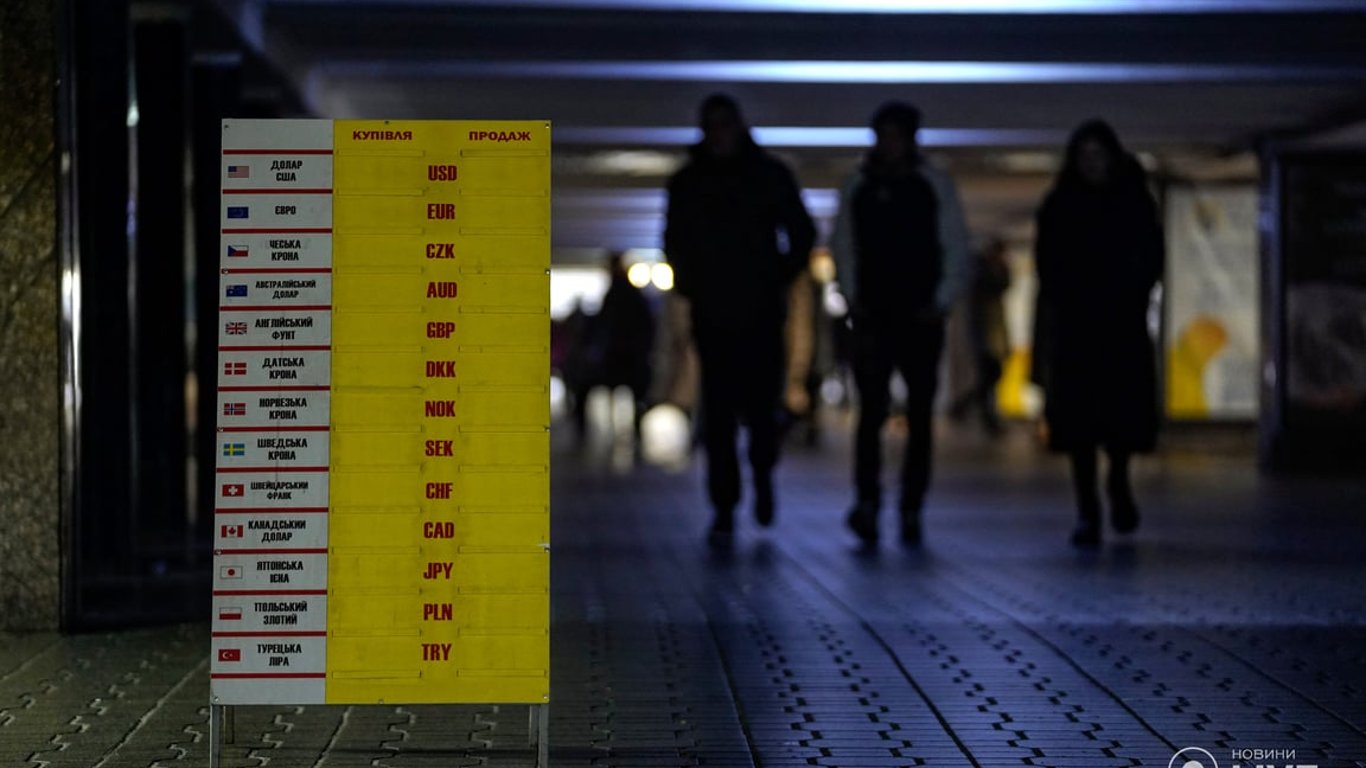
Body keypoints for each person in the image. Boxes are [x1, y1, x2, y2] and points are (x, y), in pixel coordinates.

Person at [664, 93, 816, 542]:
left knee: (757, 409)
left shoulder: (763, 175)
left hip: (757, 311)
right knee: (721, 415)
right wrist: (692, 282)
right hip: (718, 311)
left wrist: (777, 275)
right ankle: (726, 503)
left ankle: (759, 476)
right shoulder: (692, 181)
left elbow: (801, 232)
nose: (720, 136)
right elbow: (674, 239)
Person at [831, 101, 971, 545]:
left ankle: (910, 505)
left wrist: (940, 300)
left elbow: (954, 242)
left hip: (919, 314)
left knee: (919, 415)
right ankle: (868, 500)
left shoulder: (931, 184)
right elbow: (844, 244)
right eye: (884, 136)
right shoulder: (860, 185)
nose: (889, 144)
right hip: (873, 313)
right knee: (871, 412)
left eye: (896, 136)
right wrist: (853, 296)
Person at [1032, 119, 1163, 547]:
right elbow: (1047, 264)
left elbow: (1151, 257)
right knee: (1081, 427)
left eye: (1098, 154)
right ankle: (1088, 509)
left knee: (1118, 419)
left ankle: (1117, 485)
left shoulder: (1132, 202)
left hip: (1119, 326)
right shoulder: (1061, 205)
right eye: (1084, 155)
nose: (1092, 163)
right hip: (1078, 329)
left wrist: (1130, 293)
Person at [593, 252, 657, 447]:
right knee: (635, 396)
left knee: (617, 392)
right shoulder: (633, 293)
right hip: (631, 354)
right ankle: (635, 432)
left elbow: (603, 324)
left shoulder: (614, 293)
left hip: (619, 353)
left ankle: (619, 432)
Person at [949, 237, 1011, 435]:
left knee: (989, 379)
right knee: (989, 378)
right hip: (985, 336)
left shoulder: (984, 278)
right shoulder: (983, 278)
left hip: (990, 335)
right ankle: (978, 414)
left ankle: (965, 407)